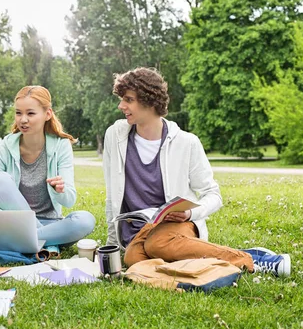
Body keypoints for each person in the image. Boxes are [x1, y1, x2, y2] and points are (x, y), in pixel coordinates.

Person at [103, 67, 291, 277]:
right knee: (133, 260)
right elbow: (113, 196)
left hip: (176, 225)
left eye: (128, 99)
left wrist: (190, 213)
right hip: (138, 233)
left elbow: (213, 195)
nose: (121, 106)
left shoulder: (186, 142)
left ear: (150, 101)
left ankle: (252, 260)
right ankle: (217, 263)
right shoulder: (115, 136)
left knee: (157, 245)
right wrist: (111, 246)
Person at [0, 86, 96, 251]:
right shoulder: (5, 146)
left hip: (52, 225)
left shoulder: (61, 145)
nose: (23, 119)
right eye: (18, 113)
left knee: (86, 220)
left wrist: (60, 190)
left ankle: (23, 240)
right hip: (15, 223)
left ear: (47, 114)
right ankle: (46, 242)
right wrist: (2, 220)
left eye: (30, 113)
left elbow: (69, 200)